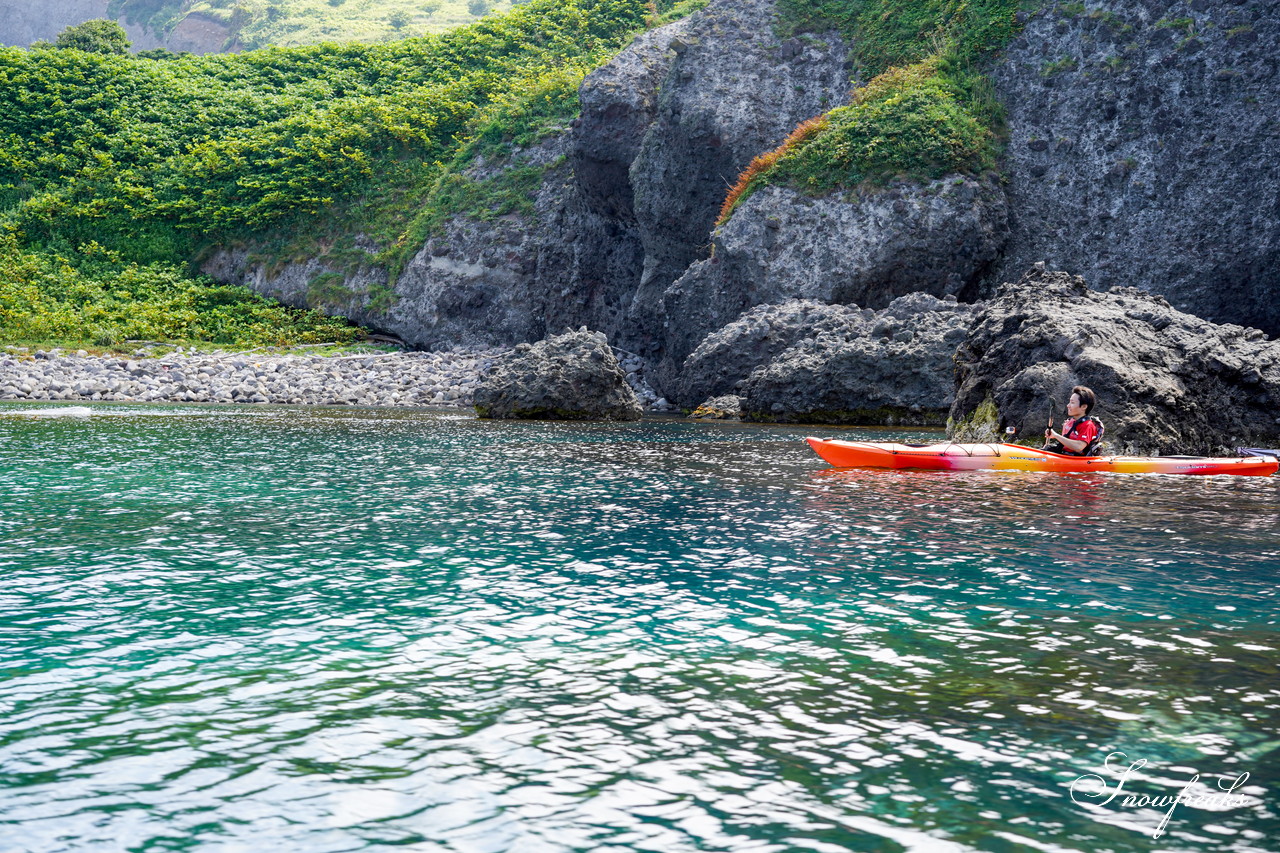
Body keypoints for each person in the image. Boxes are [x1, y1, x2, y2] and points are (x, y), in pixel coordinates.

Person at [1045, 386, 1102, 456]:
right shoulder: (1069, 422)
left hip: (1076, 460)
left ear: (1084, 406)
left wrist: (1056, 435)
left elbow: (1079, 447)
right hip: (1063, 456)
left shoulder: (1088, 425)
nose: (1068, 405)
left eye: (1072, 403)